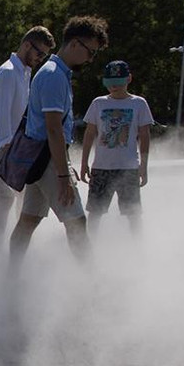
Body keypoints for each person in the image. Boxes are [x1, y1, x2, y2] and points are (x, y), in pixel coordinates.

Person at [8, 16, 109, 272]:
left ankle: (9, 276)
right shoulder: (54, 76)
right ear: (75, 43)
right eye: (90, 52)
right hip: (49, 161)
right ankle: (92, 283)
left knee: (27, 221)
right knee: (76, 222)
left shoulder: (53, 73)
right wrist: (63, 175)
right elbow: (53, 129)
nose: (90, 59)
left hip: (40, 160)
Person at [0, 26, 55, 249]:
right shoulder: (8, 72)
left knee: (21, 200)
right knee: (5, 200)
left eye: (44, 55)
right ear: (27, 45)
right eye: (39, 53)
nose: (40, 59)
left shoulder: (24, 72)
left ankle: (17, 243)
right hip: (5, 147)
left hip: (19, 146)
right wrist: (6, 146)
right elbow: (1, 113)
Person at [79, 60, 153, 235]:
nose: (113, 86)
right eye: (109, 82)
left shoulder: (138, 104)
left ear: (128, 79)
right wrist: (84, 163)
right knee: (95, 212)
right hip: (101, 167)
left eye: (118, 82)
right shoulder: (98, 103)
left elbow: (144, 136)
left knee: (133, 213)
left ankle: (137, 245)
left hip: (128, 168)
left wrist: (144, 165)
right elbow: (89, 134)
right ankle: (90, 245)